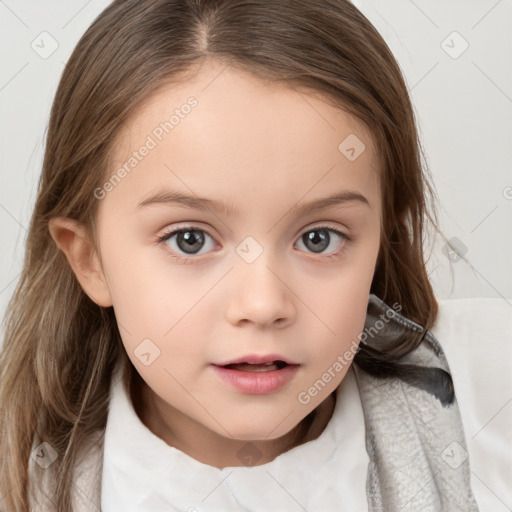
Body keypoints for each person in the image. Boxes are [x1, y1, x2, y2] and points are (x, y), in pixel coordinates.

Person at [0, 0, 479, 510]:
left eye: (319, 238)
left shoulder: (487, 408)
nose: (262, 303)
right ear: (89, 259)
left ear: (385, 239)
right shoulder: (26, 482)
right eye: (190, 239)